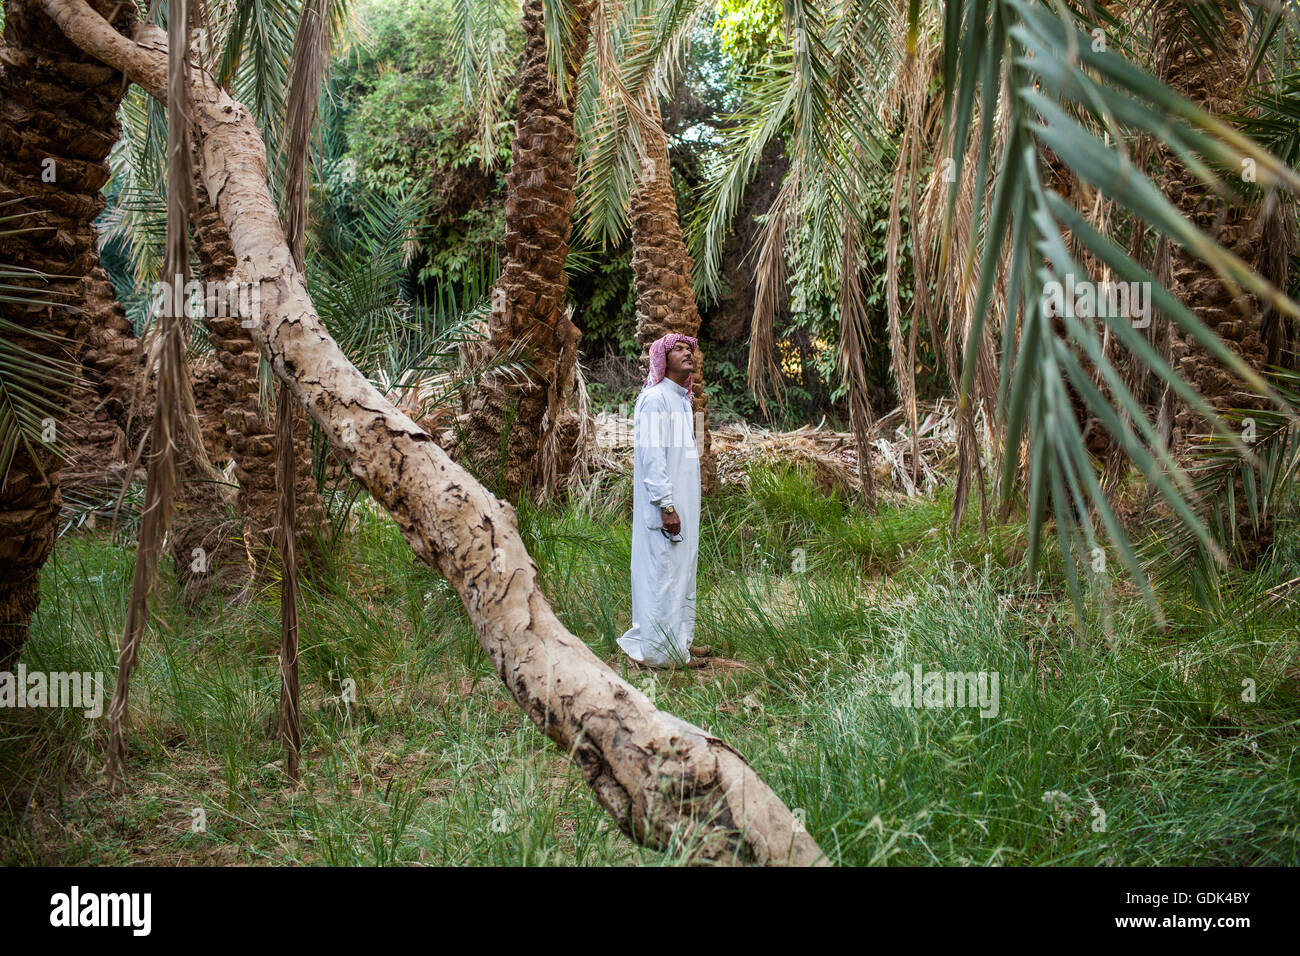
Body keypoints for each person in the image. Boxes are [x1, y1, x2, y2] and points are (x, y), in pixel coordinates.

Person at [617, 333, 704, 668]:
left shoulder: (681, 399)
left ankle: (679, 641)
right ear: (662, 359)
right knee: (663, 574)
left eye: (689, 349)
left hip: (682, 505)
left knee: (681, 572)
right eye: (678, 349)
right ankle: (660, 652)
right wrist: (666, 506)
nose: (687, 354)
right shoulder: (655, 399)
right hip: (665, 509)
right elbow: (653, 460)